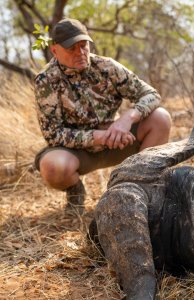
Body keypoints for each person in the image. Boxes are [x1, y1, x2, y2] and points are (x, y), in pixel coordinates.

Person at [34, 18, 171, 213]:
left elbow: (151, 94)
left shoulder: (107, 67)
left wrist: (127, 118)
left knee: (161, 118)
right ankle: (75, 190)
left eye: (84, 46)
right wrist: (98, 137)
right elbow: (53, 134)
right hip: (79, 152)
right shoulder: (45, 80)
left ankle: (142, 186)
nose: (80, 53)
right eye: (72, 48)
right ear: (55, 50)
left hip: (119, 142)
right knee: (52, 167)